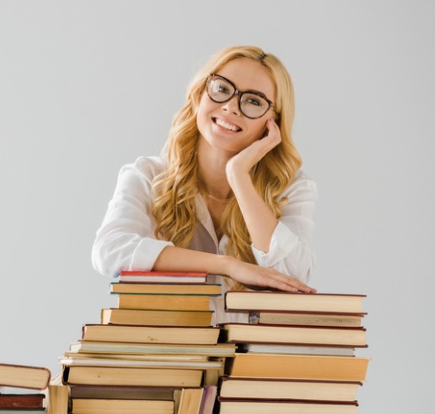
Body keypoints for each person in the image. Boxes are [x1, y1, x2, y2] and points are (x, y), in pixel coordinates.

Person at [91, 46, 316, 303]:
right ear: (200, 94)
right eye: (222, 89)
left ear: (272, 121)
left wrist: (239, 175)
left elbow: (293, 274)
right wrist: (226, 265)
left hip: (254, 343)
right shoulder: (146, 176)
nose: (232, 107)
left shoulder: (292, 188)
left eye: (253, 101)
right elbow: (110, 251)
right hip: (169, 341)